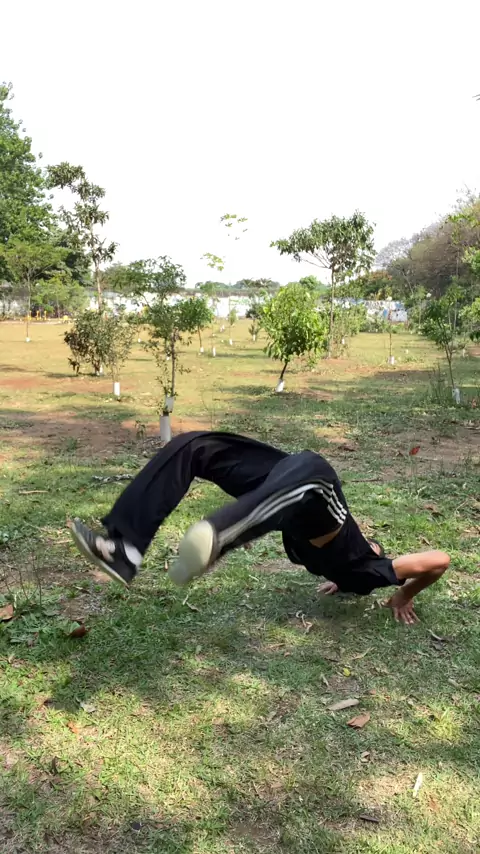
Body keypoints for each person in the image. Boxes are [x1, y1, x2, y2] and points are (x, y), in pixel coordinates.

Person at [69, 431, 450, 625]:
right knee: (195, 447)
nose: (372, 543)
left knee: (313, 466)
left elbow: (439, 559)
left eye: (376, 547)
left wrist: (403, 594)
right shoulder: (349, 569)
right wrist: (347, 577)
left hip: (310, 499)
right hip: (288, 494)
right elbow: (377, 555)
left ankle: (224, 534)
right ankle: (123, 548)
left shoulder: (369, 573)